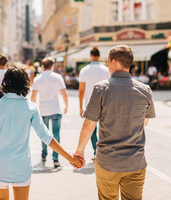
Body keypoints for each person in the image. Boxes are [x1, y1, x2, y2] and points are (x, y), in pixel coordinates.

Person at [0, 67, 82, 200]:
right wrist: (71, 159)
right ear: (25, 84)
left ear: (5, 83)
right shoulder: (31, 107)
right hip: (21, 167)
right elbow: (46, 136)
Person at [74, 45, 155, 200]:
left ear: (114, 62)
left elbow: (89, 124)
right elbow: (144, 122)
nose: (107, 65)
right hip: (135, 162)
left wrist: (79, 151)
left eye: (108, 61)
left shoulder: (101, 89)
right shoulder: (145, 90)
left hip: (107, 161)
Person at [31, 57, 68, 168]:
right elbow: (64, 93)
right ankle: (55, 158)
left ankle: (44, 153)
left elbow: (33, 96)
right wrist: (66, 106)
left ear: (42, 66)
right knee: (56, 134)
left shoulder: (38, 79)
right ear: (52, 66)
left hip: (43, 110)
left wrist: (33, 109)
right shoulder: (58, 77)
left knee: (44, 134)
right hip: (56, 109)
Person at [78, 47, 110, 159]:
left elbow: (81, 90)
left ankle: (96, 151)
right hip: (105, 103)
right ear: (99, 56)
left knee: (91, 129)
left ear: (91, 56)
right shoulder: (106, 70)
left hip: (90, 103)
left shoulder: (84, 70)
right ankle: (103, 152)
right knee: (104, 128)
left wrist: (80, 107)